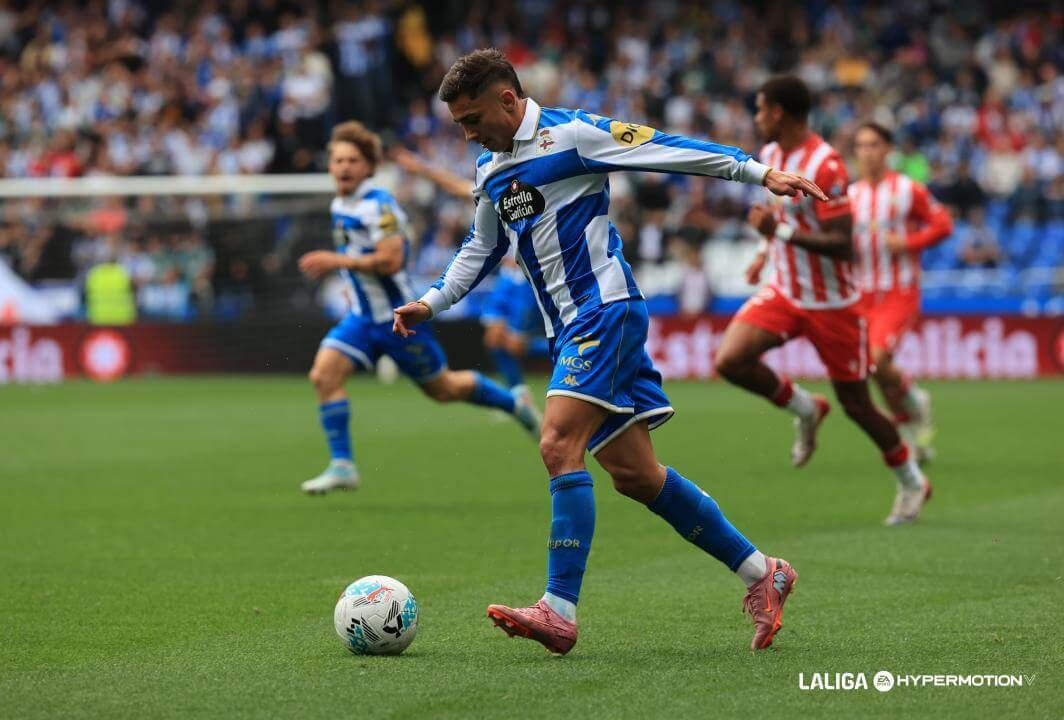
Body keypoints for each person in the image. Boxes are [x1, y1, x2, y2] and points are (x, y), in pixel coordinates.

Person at [393, 49, 825, 655]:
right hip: (568, 328)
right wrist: (430, 302)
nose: (465, 133)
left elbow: (665, 147)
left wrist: (757, 173)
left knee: (556, 444)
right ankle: (764, 573)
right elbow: (480, 248)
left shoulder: (573, 135)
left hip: (605, 311)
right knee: (635, 475)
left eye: (471, 119)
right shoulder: (490, 170)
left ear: (509, 101)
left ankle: (558, 610)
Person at [714, 75, 931, 527]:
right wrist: (762, 253)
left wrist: (781, 235)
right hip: (786, 291)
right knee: (730, 360)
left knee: (858, 405)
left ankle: (913, 481)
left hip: (833, 305)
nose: (756, 119)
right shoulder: (773, 157)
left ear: (778, 112)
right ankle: (805, 408)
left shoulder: (827, 164)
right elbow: (777, 217)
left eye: (760, 110)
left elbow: (842, 243)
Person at [297, 121, 541, 495]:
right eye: (338, 160)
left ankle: (514, 404)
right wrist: (351, 284)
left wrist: (339, 263)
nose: (343, 167)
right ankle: (343, 465)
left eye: (352, 160)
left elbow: (391, 260)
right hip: (362, 318)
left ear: (369, 166)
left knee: (443, 389)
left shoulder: (380, 206)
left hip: (400, 318)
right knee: (323, 376)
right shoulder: (339, 204)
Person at [394, 147, 542, 393]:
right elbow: (457, 186)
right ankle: (519, 394)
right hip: (506, 277)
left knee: (516, 345)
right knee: (493, 338)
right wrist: (421, 169)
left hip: (527, 279)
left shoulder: (538, 187)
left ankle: (582, 345)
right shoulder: (494, 185)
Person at [850, 122, 953, 461]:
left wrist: (908, 242)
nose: (867, 152)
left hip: (898, 291)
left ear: (887, 150)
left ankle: (914, 402)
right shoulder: (852, 196)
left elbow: (943, 224)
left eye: (873, 145)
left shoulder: (908, 190)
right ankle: (910, 427)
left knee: (876, 360)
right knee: (872, 368)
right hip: (862, 294)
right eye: (861, 146)